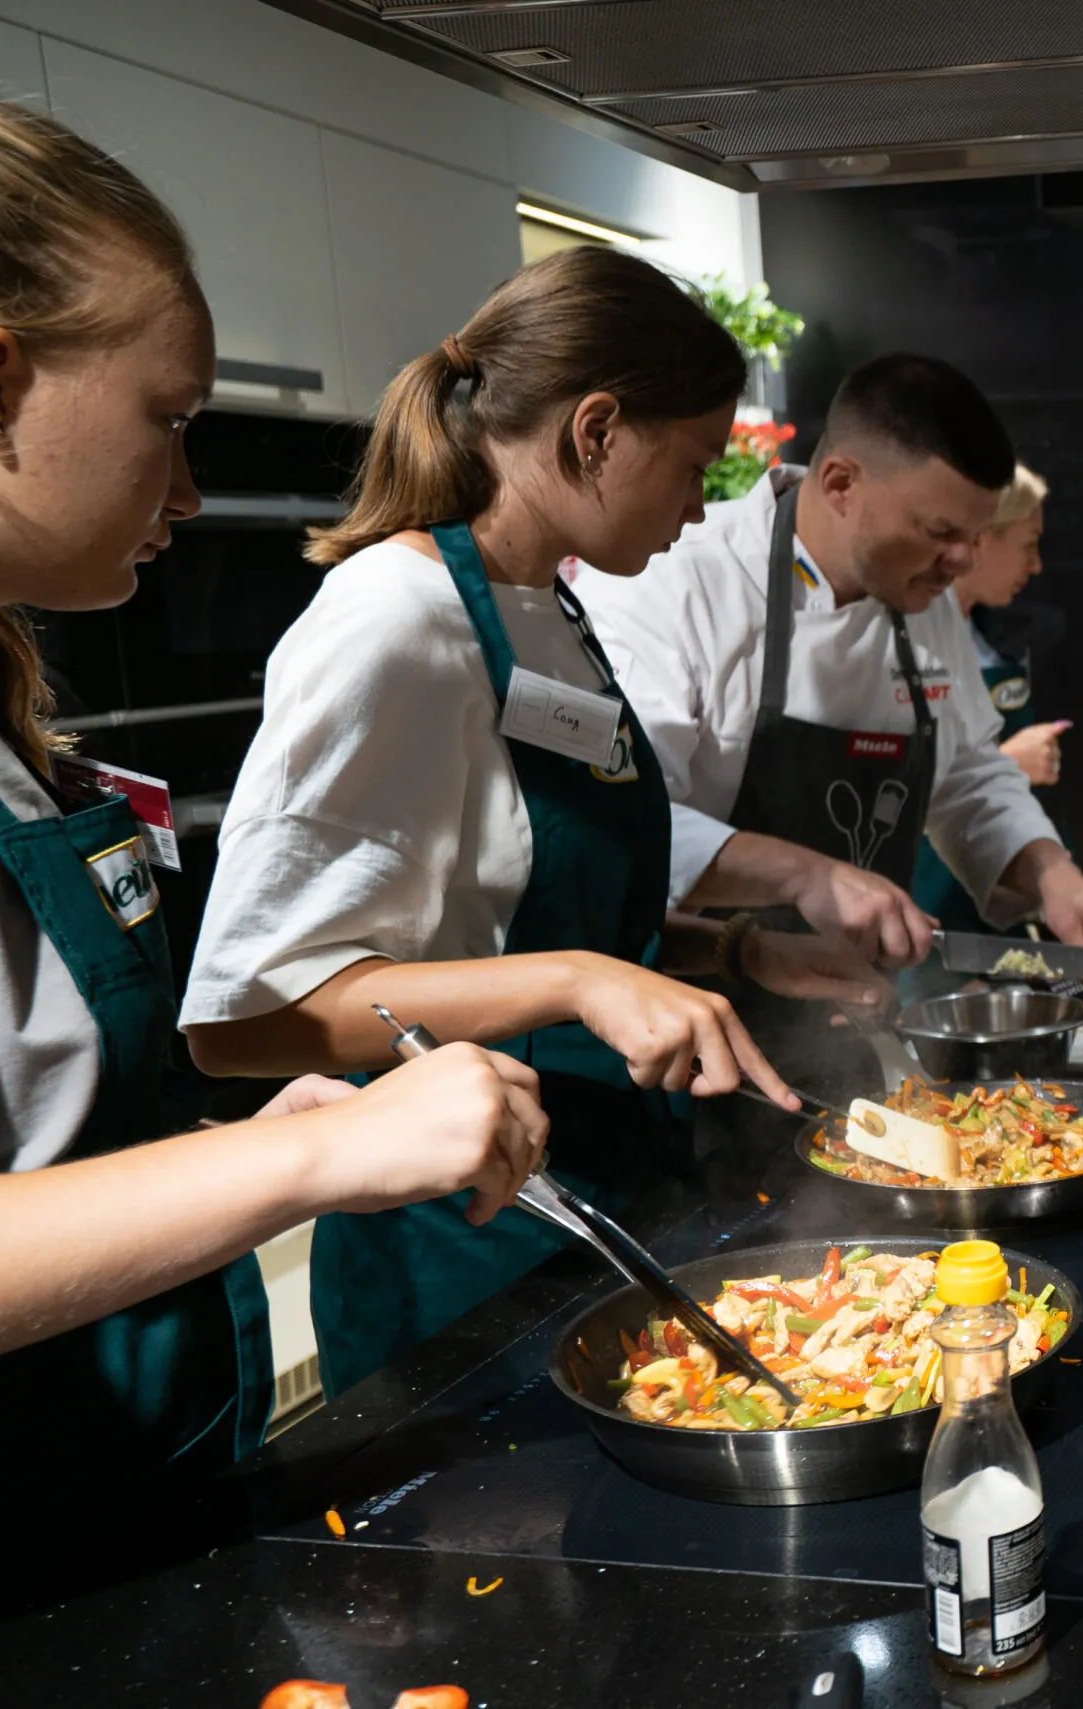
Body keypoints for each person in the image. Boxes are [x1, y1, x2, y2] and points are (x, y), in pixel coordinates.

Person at [0, 91, 556, 1615]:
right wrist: (313, 1150)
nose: (192, 482)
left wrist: (235, 1148)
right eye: (168, 417)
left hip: (109, 1498)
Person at [178, 248, 855, 1397]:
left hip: (601, 1204)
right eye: (692, 465)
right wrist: (578, 981)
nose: (701, 509)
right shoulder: (393, 617)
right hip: (458, 1254)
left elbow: (505, 913)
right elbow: (248, 1020)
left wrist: (738, 950)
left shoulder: (547, 610)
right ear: (595, 432)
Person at [576, 353, 1083, 954]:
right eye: (941, 533)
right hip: (691, 997)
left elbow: (967, 776)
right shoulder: (675, 581)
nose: (965, 562)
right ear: (841, 484)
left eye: (975, 538)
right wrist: (806, 875)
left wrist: (1054, 877)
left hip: (854, 1013)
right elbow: (622, 818)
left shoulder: (924, 598)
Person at [910, 464, 1068, 933]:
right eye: (1029, 544)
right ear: (982, 539)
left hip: (991, 890)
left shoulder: (979, 635)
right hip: (928, 900)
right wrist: (1012, 762)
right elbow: (904, 792)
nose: (1036, 565)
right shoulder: (907, 636)